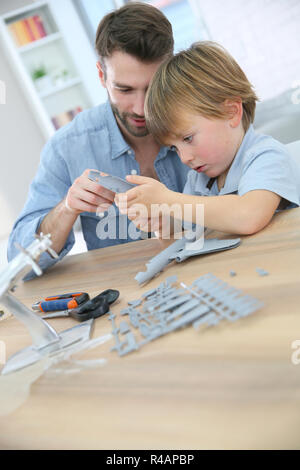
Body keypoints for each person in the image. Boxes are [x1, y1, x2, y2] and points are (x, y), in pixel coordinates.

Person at [7, 2, 189, 275]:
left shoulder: (198, 123)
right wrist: (67, 208)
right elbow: (20, 264)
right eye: (124, 89)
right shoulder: (67, 147)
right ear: (102, 75)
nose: (140, 108)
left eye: (151, 88)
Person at [115, 41, 300, 236]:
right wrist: (162, 221)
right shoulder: (199, 180)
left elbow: (248, 215)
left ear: (231, 112)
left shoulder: (266, 156)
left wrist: (168, 199)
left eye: (187, 138)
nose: (183, 157)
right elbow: (186, 227)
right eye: (174, 148)